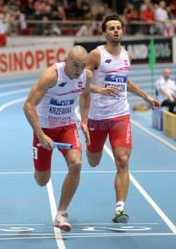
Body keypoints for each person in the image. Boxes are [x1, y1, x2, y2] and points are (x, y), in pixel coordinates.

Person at [86, 15, 161, 223]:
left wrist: (146, 96)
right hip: (97, 117)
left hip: (120, 115)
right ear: (104, 33)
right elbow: (80, 81)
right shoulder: (95, 55)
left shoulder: (127, 55)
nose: (116, 31)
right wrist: (100, 89)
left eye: (119, 27)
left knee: (123, 161)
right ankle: (91, 147)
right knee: (93, 161)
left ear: (123, 31)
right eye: (111, 28)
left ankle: (120, 209)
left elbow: (125, 81)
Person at [23, 45, 92, 232]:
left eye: (83, 66)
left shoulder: (86, 76)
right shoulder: (52, 75)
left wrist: (84, 121)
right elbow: (28, 105)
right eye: (75, 65)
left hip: (67, 126)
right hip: (44, 128)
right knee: (42, 180)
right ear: (66, 61)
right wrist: (41, 135)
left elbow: (86, 95)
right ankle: (38, 168)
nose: (79, 71)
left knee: (76, 164)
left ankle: (61, 213)